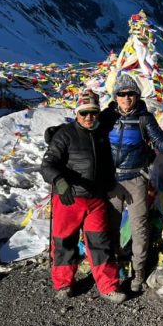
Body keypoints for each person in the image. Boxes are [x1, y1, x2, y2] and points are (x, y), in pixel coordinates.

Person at [40, 89, 126, 303]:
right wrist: (59, 180)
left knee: (101, 244)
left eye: (93, 113)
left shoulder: (101, 131)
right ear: (76, 113)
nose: (89, 117)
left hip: (96, 200)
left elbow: (114, 110)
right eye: (84, 112)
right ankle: (63, 284)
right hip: (69, 198)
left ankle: (108, 286)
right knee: (64, 242)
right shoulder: (65, 134)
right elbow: (47, 164)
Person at [101, 73, 163, 292]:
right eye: (122, 94)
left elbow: (161, 144)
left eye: (131, 94)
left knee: (139, 227)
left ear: (137, 96)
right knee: (110, 226)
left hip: (136, 179)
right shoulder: (106, 117)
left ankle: (138, 272)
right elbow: (86, 135)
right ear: (115, 96)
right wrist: (59, 136)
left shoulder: (145, 118)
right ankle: (115, 267)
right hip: (111, 180)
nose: (126, 98)